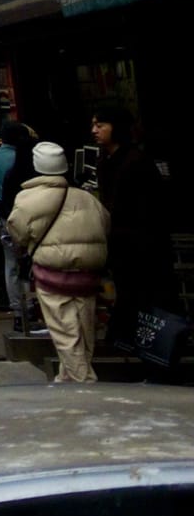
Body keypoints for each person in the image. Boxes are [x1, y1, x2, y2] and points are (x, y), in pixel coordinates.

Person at [7, 141, 111, 383]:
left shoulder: (28, 198)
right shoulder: (86, 197)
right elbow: (105, 224)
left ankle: (85, 385)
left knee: (66, 335)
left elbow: (18, 231)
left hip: (53, 274)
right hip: (88, 274)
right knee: (84, 332)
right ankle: (66, 380)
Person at [92, 103, 179, 349]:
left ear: (116, 128)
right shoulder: (106, 161)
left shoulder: (136, 162)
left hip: (143, 248)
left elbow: (148, 210)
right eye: (93, 125)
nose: (94, 130)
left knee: (148, 303)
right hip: (121, 247)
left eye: (100, 125)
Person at [0, 120, 39, 331]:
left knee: (11, 266)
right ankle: (32, 306)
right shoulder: (22, 159)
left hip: (2, 216)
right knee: (31, 264)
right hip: (25, 215)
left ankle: (18, 310)